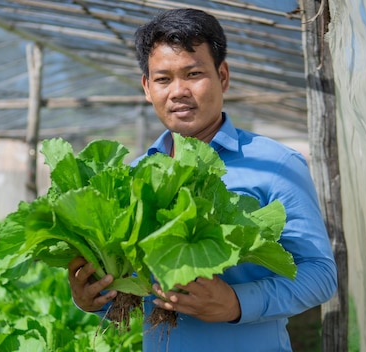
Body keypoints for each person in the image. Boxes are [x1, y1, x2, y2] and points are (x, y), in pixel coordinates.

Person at [67, 8, 337, 351]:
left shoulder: (276, 164)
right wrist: (92, 297)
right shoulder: (134, 175)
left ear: (222, 76)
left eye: (193, 74)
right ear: (148, 88)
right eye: (163, 79)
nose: (178, 91)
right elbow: (129, 285)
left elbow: (320, 275)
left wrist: (236, 303)